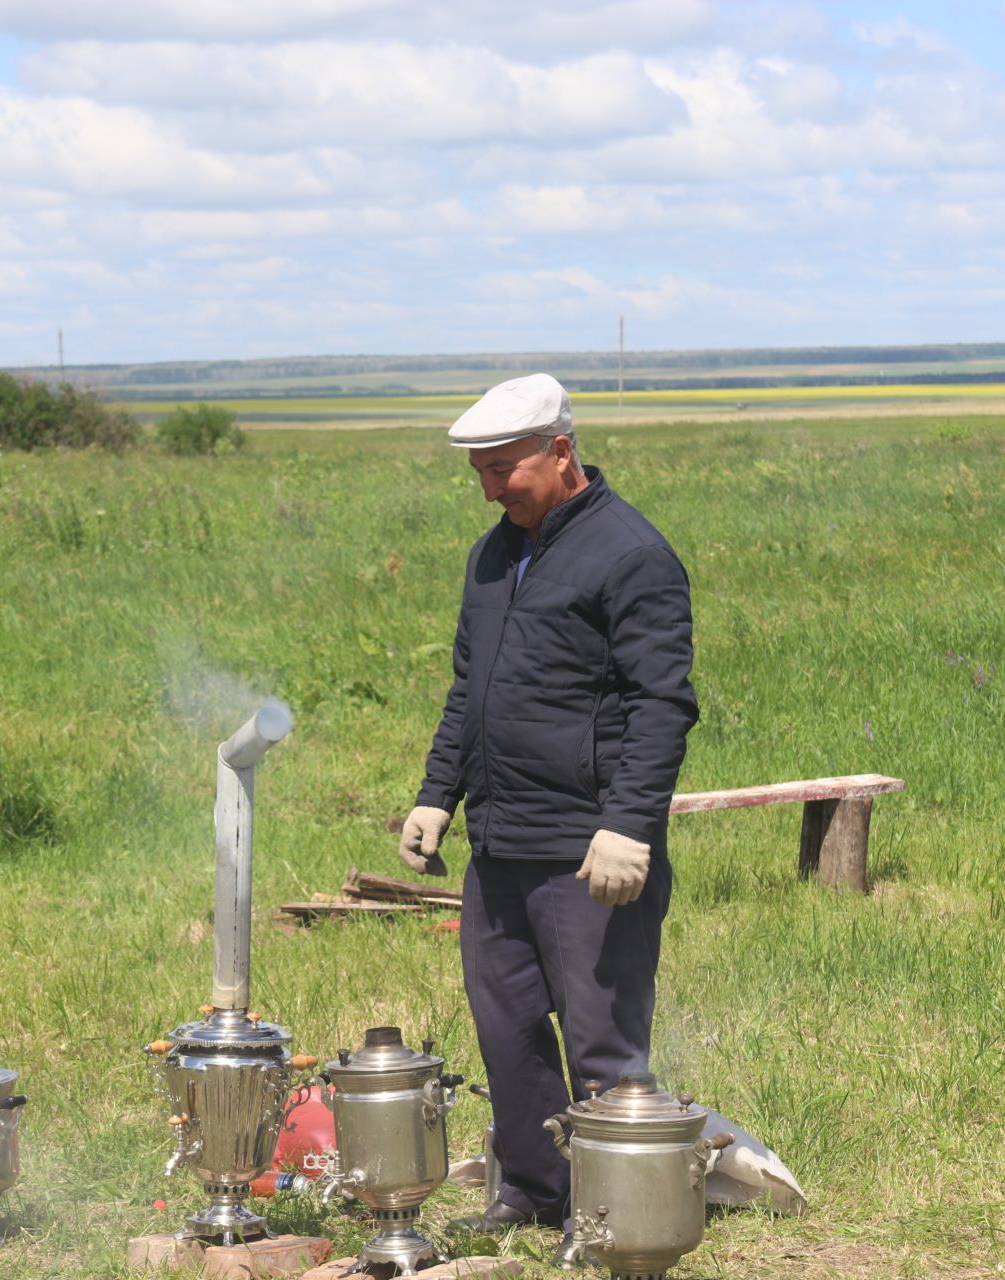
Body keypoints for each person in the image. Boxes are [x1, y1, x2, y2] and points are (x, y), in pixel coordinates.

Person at [394, 375, 697, 1258]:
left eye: (505, 470)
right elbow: (470, 692)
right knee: (508, 1028)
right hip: (501, 843)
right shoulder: (493, 556)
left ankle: (611, 1217)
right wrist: (435, 795)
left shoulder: (631, 554)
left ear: (560, 451)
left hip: (588, 846)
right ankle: (531, 1187)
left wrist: (630, 823)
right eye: (480, 473)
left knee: (600, 1040)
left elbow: (662, 704)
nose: (492, 490)